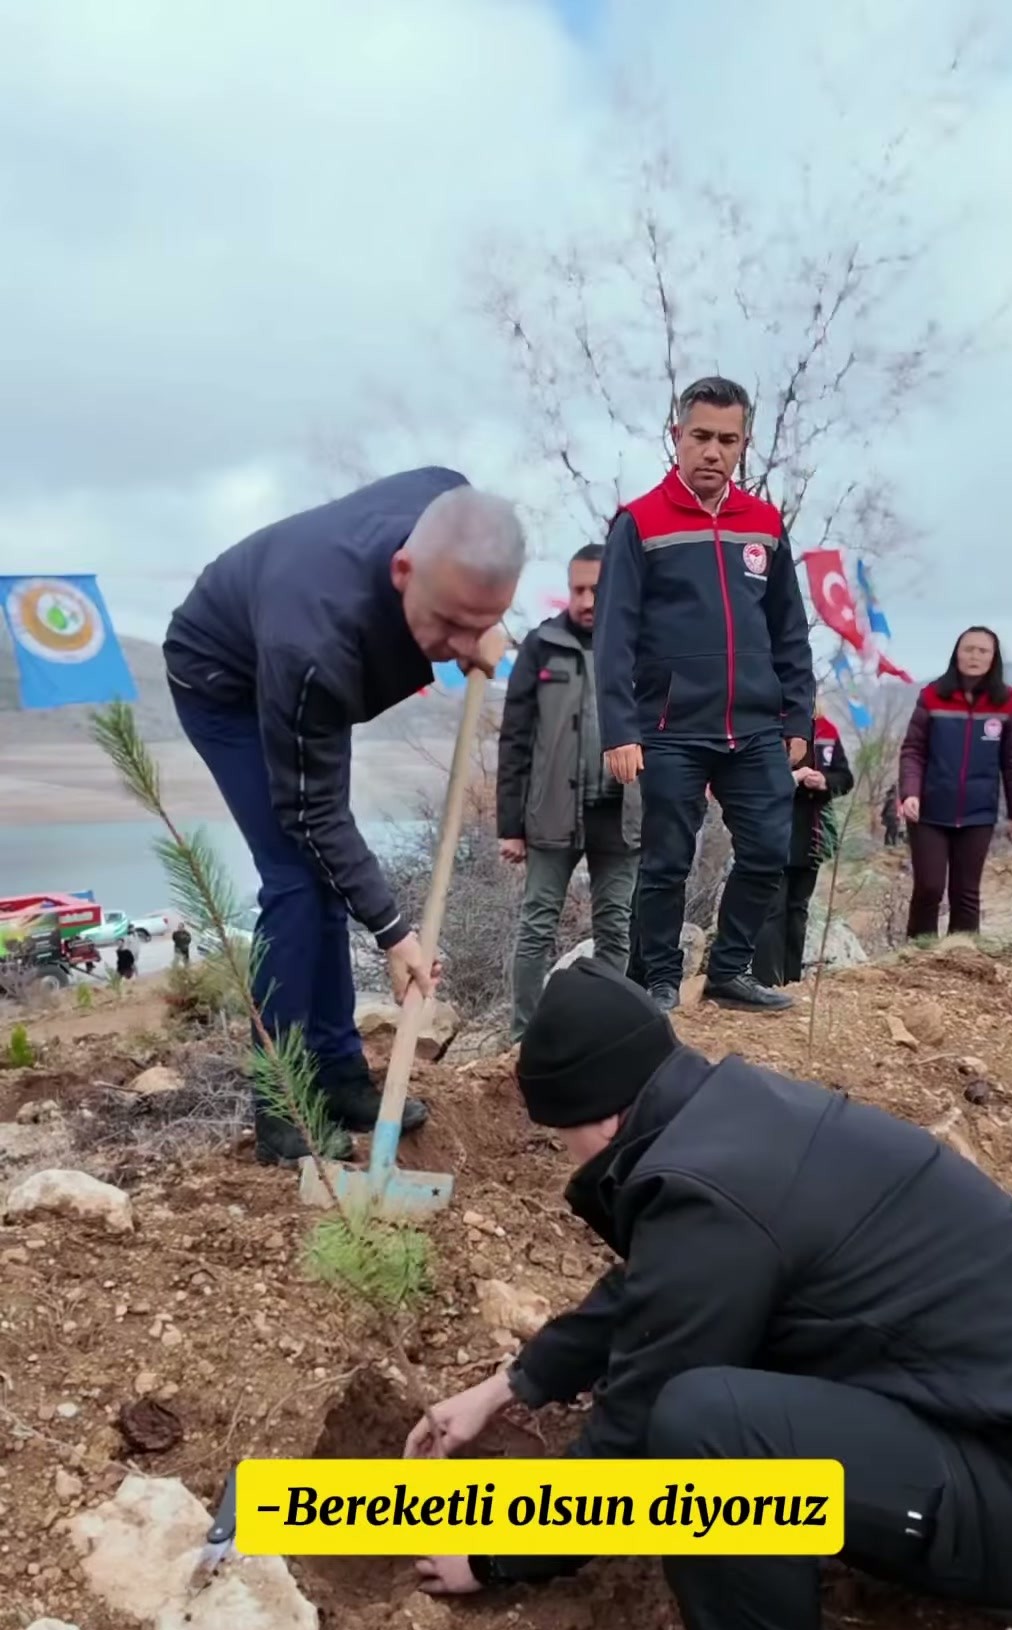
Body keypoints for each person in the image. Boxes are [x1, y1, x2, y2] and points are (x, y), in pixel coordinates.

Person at [405, 958, 1012, 1630]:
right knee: (727, 1381)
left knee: (705, 1427)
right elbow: (661, 1289)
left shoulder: (709, 1198)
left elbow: (633, 1433)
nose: (563, 1152)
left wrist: (493, 1552)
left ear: (601, 1119)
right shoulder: (739, 1121)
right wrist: (511, 1385)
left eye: (559, 1134)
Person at [164, 472, 524, 1165]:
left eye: (478, 622)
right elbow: (312, 812)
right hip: (225, 677)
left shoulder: (452, 508)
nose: (462, 646)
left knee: (327, 874)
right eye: (449, 623)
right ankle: (283, 1104)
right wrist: (395, 932)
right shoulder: (315, 647)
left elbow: (465, 544)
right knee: (297, 878)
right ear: (403, 571)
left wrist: (484, 625)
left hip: (299, 660)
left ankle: (337, 1073)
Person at [593, 375, 814, 1017]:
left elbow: (789, 628)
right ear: (677, 436)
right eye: (700, 436)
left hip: (755, 727)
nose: (713, 451)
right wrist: (620, 729)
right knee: (667, 861)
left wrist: (797, 714)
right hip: (670, 728)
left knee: (769, 850)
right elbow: (613, 636)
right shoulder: (639, 522)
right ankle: (660, 980)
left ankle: (729, 971)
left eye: (727, 439)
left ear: (743, 444)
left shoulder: (764, 524)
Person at [497, 546, 641, 1039]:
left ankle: (609, 1037)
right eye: (577, 589)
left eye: (596, 590)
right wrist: (510, 826)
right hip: (552, 812)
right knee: (537, 926)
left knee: (615, 927)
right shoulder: (541, 645)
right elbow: (515, 739)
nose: (586, 601)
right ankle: (524, 1038)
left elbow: (667, 733)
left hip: (621, 814)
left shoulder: (640, 646)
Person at [899, 626, 1012, 941]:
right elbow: (913, 750)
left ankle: (962, 956)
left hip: (978, 813)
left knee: (966, 892)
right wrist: (910, 793)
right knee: (929, 887)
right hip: (929, 811)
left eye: (983, 651)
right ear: (956, 653)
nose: (974, 656)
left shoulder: (1006, 701)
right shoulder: (933, 695)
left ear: (993, 658)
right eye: (968, 649)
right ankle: (919, 954)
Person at [752, 707, 853, 988]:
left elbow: (845, 778)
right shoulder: (767, 722)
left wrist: (825, 781)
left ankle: (792, 980)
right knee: (772, 908)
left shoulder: (826, 729)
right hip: (772, 828)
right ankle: (765, 980)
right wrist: (792, 777)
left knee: (798, 909)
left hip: (812, 832)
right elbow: (754, 776)